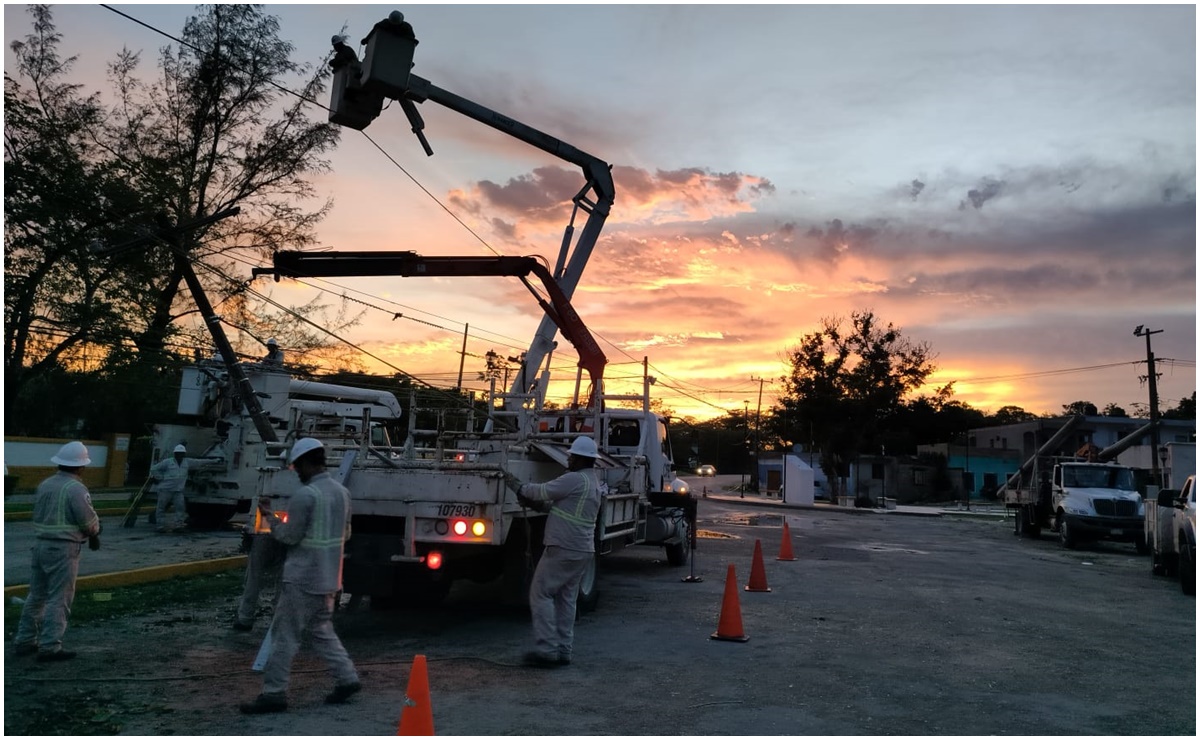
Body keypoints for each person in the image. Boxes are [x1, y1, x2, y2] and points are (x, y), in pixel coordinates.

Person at [240, 438, 360, 714]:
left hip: (302, 579)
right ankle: (347, 677)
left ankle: (273, 693)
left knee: (285, 637)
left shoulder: (305, 496)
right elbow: (347, 534)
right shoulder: (342, 493)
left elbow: (289, 537)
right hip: (329, 577)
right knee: (322, 630)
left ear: (306, 463)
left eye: (296, 467)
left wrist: (270, 519)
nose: (296, 472)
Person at [505, 436, 602, 668]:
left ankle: (547, 650)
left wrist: (519, 486)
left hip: (563, 547)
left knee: (541, 593)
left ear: (580, 459)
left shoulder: (573, 479)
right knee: (567, 600)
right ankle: (563, 650)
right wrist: (540, 506)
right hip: (581, 549)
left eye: (572, 456)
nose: (568, 458)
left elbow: (542, 491)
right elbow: (564, 508)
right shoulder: (592, 482)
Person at [12, 441, 102, 662]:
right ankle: (50, 645)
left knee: (36, 595)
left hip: (41, 545)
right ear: (81, 466)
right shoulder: (76, 489)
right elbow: (88, 522)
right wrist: (94, 534)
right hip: (63, 549)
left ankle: (25, 640)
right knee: (59, 598)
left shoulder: (46, 484)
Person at [232, 504, 287, 632]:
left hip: (263, 525)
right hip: (286, 528)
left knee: (253, 576)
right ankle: (278, 619)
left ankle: (245, 617)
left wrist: (249, 531)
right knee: (283, 576)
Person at [150, 444, 190, 533]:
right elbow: (154, 469)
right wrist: (160, 478)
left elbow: (199, 462)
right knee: (161, 508)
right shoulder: (168, 462)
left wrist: (214, 461)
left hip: (178, 490)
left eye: (181, 453)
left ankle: (178, 525)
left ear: (184, 454)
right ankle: (160, 526)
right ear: (175, 454)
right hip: (165, 489)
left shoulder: (186, 462)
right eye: (178, 453)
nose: (179, 455)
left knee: (180, 507)